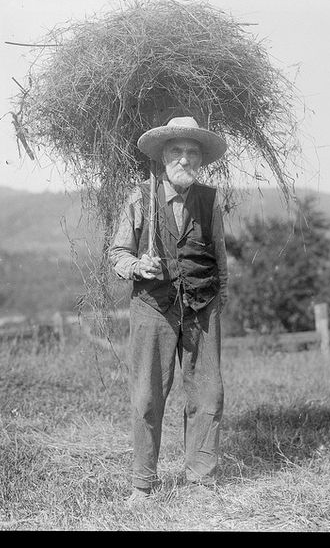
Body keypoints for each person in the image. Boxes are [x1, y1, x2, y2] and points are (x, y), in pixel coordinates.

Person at [110, 116, 228, 502]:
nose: (184, 158)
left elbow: (220, 259)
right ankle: (142, 485)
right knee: (147, 396)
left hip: (202, 306)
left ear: (201, 160)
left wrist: (218, 298)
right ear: (163, 157)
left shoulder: (209, 200)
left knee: (208, 395)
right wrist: (137, 266)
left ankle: (201, 480)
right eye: (176, 151)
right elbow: (117, 253)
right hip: (153, 307)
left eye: (192, 152)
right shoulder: (139, 198)